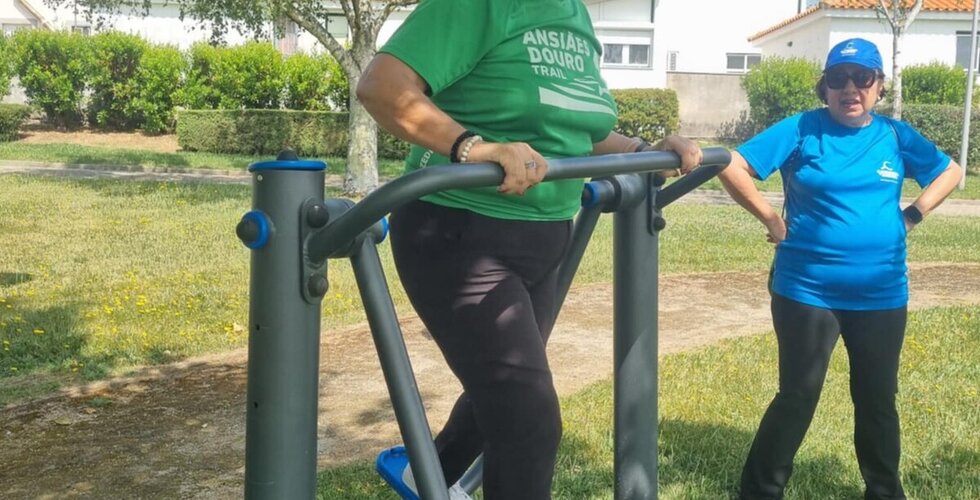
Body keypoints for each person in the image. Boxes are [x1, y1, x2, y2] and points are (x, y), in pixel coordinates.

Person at [355, 0, 702, 498]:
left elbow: (575, 128)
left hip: (545, 237)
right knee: (529, 422)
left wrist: (642, 152)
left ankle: (431, 472)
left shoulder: (574, 14)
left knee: (504, 392)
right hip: (459, 233)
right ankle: (432, 475)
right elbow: (383, 87)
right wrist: (474, 147)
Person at [718, 38, 964, 500]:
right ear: (825, 86)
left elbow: (950, 171)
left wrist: (913, 214)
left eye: (862, 77)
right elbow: (732, 163)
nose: (850, 88)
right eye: (838, 78)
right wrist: (770, 218)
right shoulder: (803, 129)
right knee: (797, 395)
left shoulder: (894, 135)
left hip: (882, 293)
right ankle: (759, 492)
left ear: (879, 85)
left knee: (877, 399)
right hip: (807, 290)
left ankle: (884, 492)